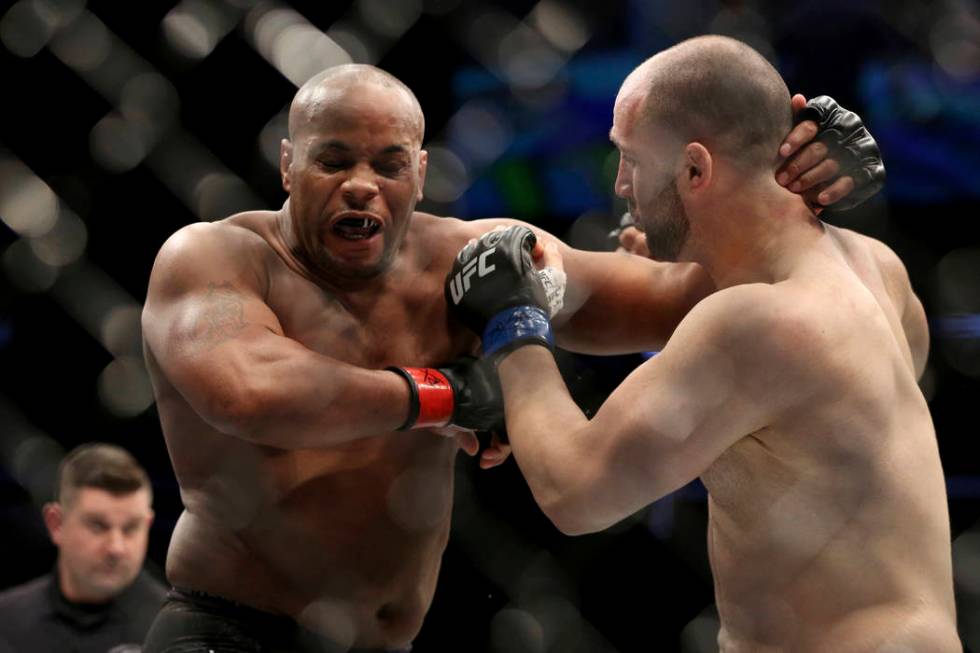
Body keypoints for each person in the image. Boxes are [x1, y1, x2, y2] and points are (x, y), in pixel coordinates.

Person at [139, 63, 883, 652]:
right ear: (288, 165)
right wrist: (448, 394)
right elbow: (248, 388)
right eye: (333, 160)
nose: (361, 183)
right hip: (228, 634)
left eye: (388, 163)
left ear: (422, 174)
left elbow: (673, 295)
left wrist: (791, 184)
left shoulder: (471, 256)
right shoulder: (216, 258)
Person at [447, 35, 960, 651]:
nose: (620, 187)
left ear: (695, 168)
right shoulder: (878, 267)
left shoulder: (758, 321)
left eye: (630, 159)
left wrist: (512, 324)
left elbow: (576, 493)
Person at [0, 443, 165, 653]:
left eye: (131, 528)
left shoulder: (175, 630)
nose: (116, 548)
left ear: (148, 525)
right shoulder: (6, 623)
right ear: (56, 523)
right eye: (97, 526)